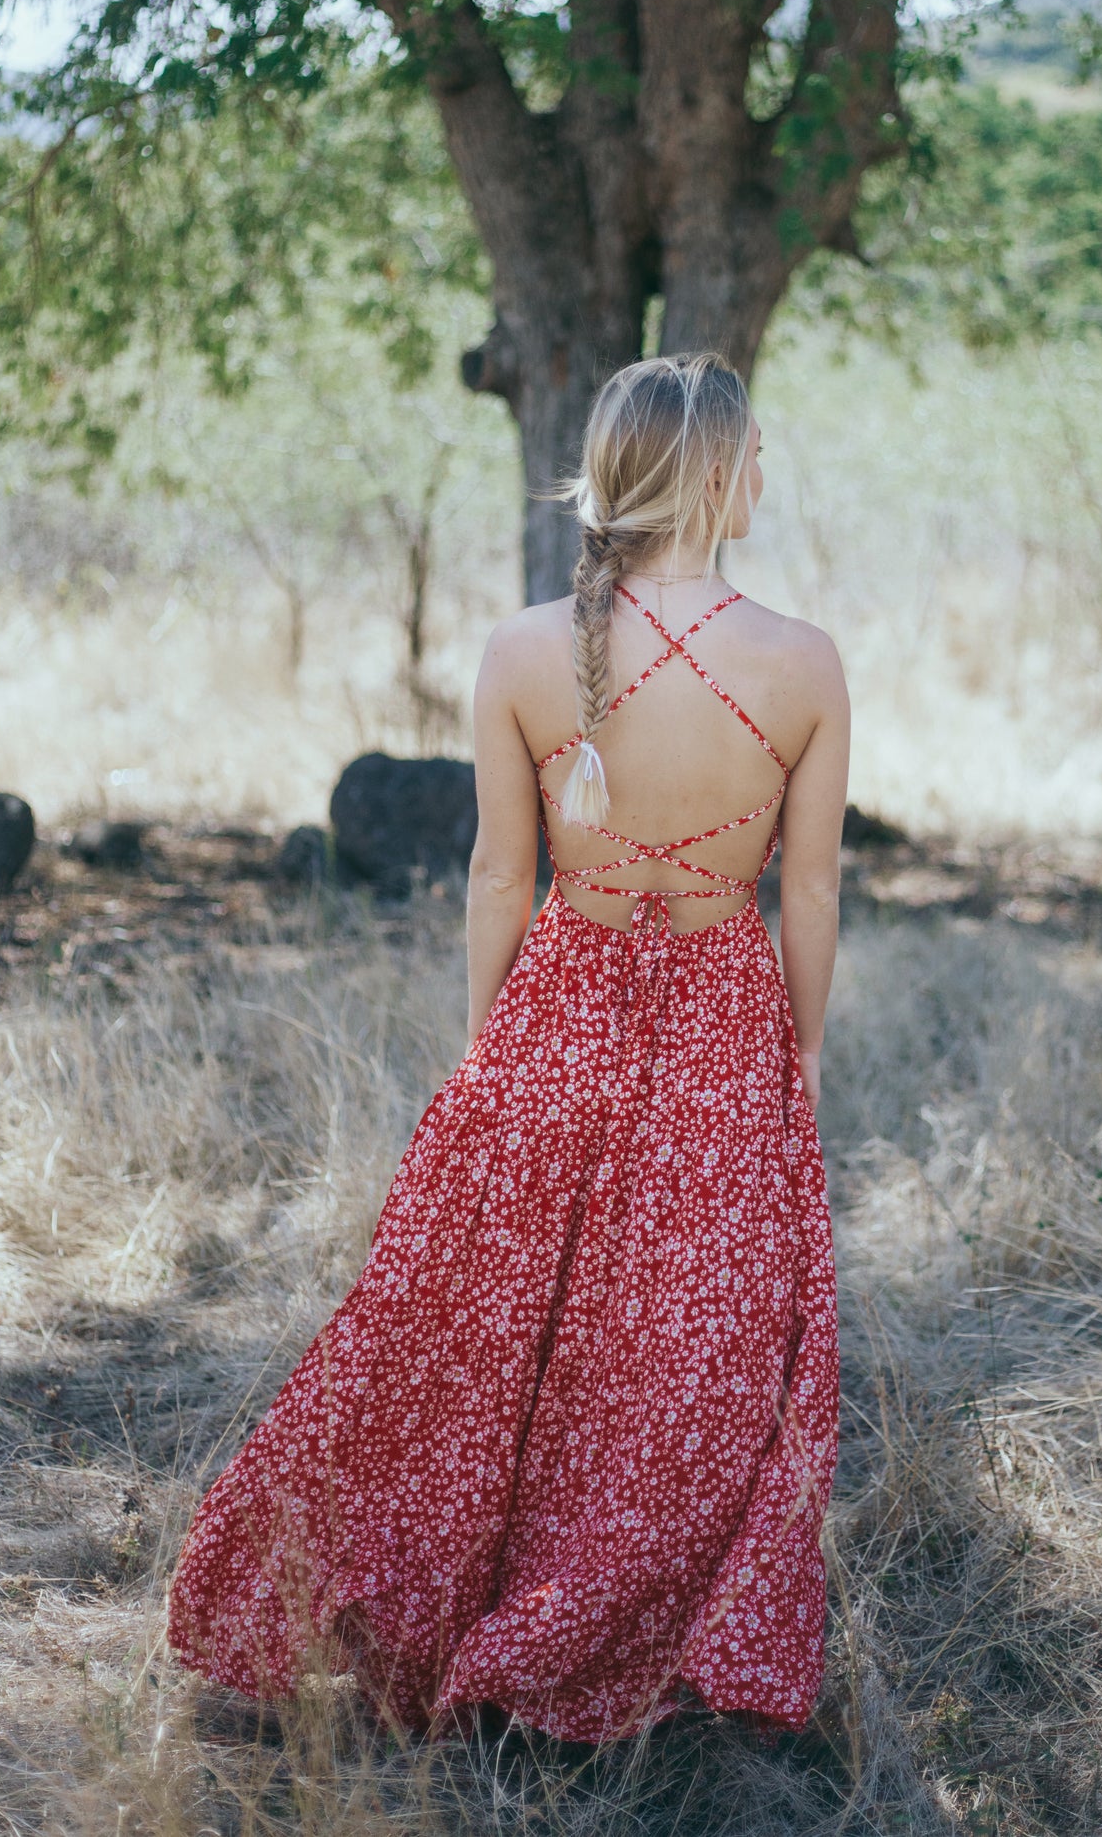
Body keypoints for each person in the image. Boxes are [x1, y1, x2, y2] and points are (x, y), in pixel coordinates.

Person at [167, 352, 849, 1744]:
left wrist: (492, 1052)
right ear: (714, 473)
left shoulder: (524, 647)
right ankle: (624, 1632)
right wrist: (805, 1052)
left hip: (561, 998)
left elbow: (497, 874)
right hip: (724, 1002)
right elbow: (816, 892)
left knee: (482, 1330)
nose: (768, 474)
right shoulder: (800, 661)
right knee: (688, 1338)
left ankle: (472, 1606)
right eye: (757, 452)